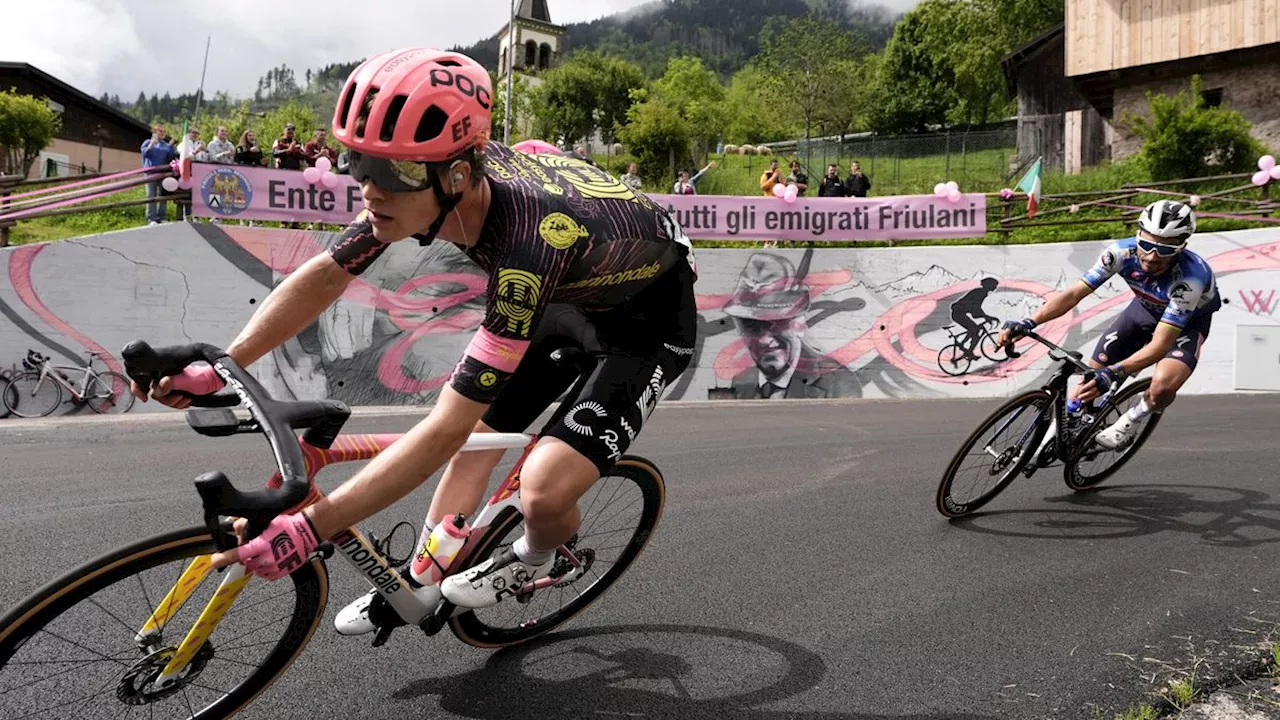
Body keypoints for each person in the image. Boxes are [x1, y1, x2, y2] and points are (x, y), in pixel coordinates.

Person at [131, 48, 697, 628]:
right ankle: (422, 577)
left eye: (389, 174)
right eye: (359, 163)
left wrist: (311, 527)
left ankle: (537, 555)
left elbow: (441, 430)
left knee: (544, 490)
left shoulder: (527, 248)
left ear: (455, 176)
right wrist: (224, 362)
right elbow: (328, 273)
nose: (367, 190)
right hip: (571, 295)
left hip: (646, 324)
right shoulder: (426, 187)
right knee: (480, 438)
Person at [999, 200, 1218, 450]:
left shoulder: (1190, 279)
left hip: (1187, 325)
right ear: (1137, 236)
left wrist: (1115, 372)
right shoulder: (1120, 253)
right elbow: (1073, 294)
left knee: (1163, 386)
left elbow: (1161, 344)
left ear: (1182, 247)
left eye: (1165, 250)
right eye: (1146, 245)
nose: (1152, 256)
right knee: (1091, 376)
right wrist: (1029, 322)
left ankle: (1129, 421)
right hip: (1144, 310)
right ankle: (1067, 426)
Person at [949, 278, 1000, 361]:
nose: (996, 287)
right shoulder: (981, 293)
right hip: (958, 313)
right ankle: (968, 351)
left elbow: (976, 311)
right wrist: (987, 317)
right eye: (994, 285)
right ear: (989, 285)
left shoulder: (981, 292)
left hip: (959, 312)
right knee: (975, 330)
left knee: (974, 329)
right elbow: (975, 310)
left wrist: (986, 316)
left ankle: (965, 348)